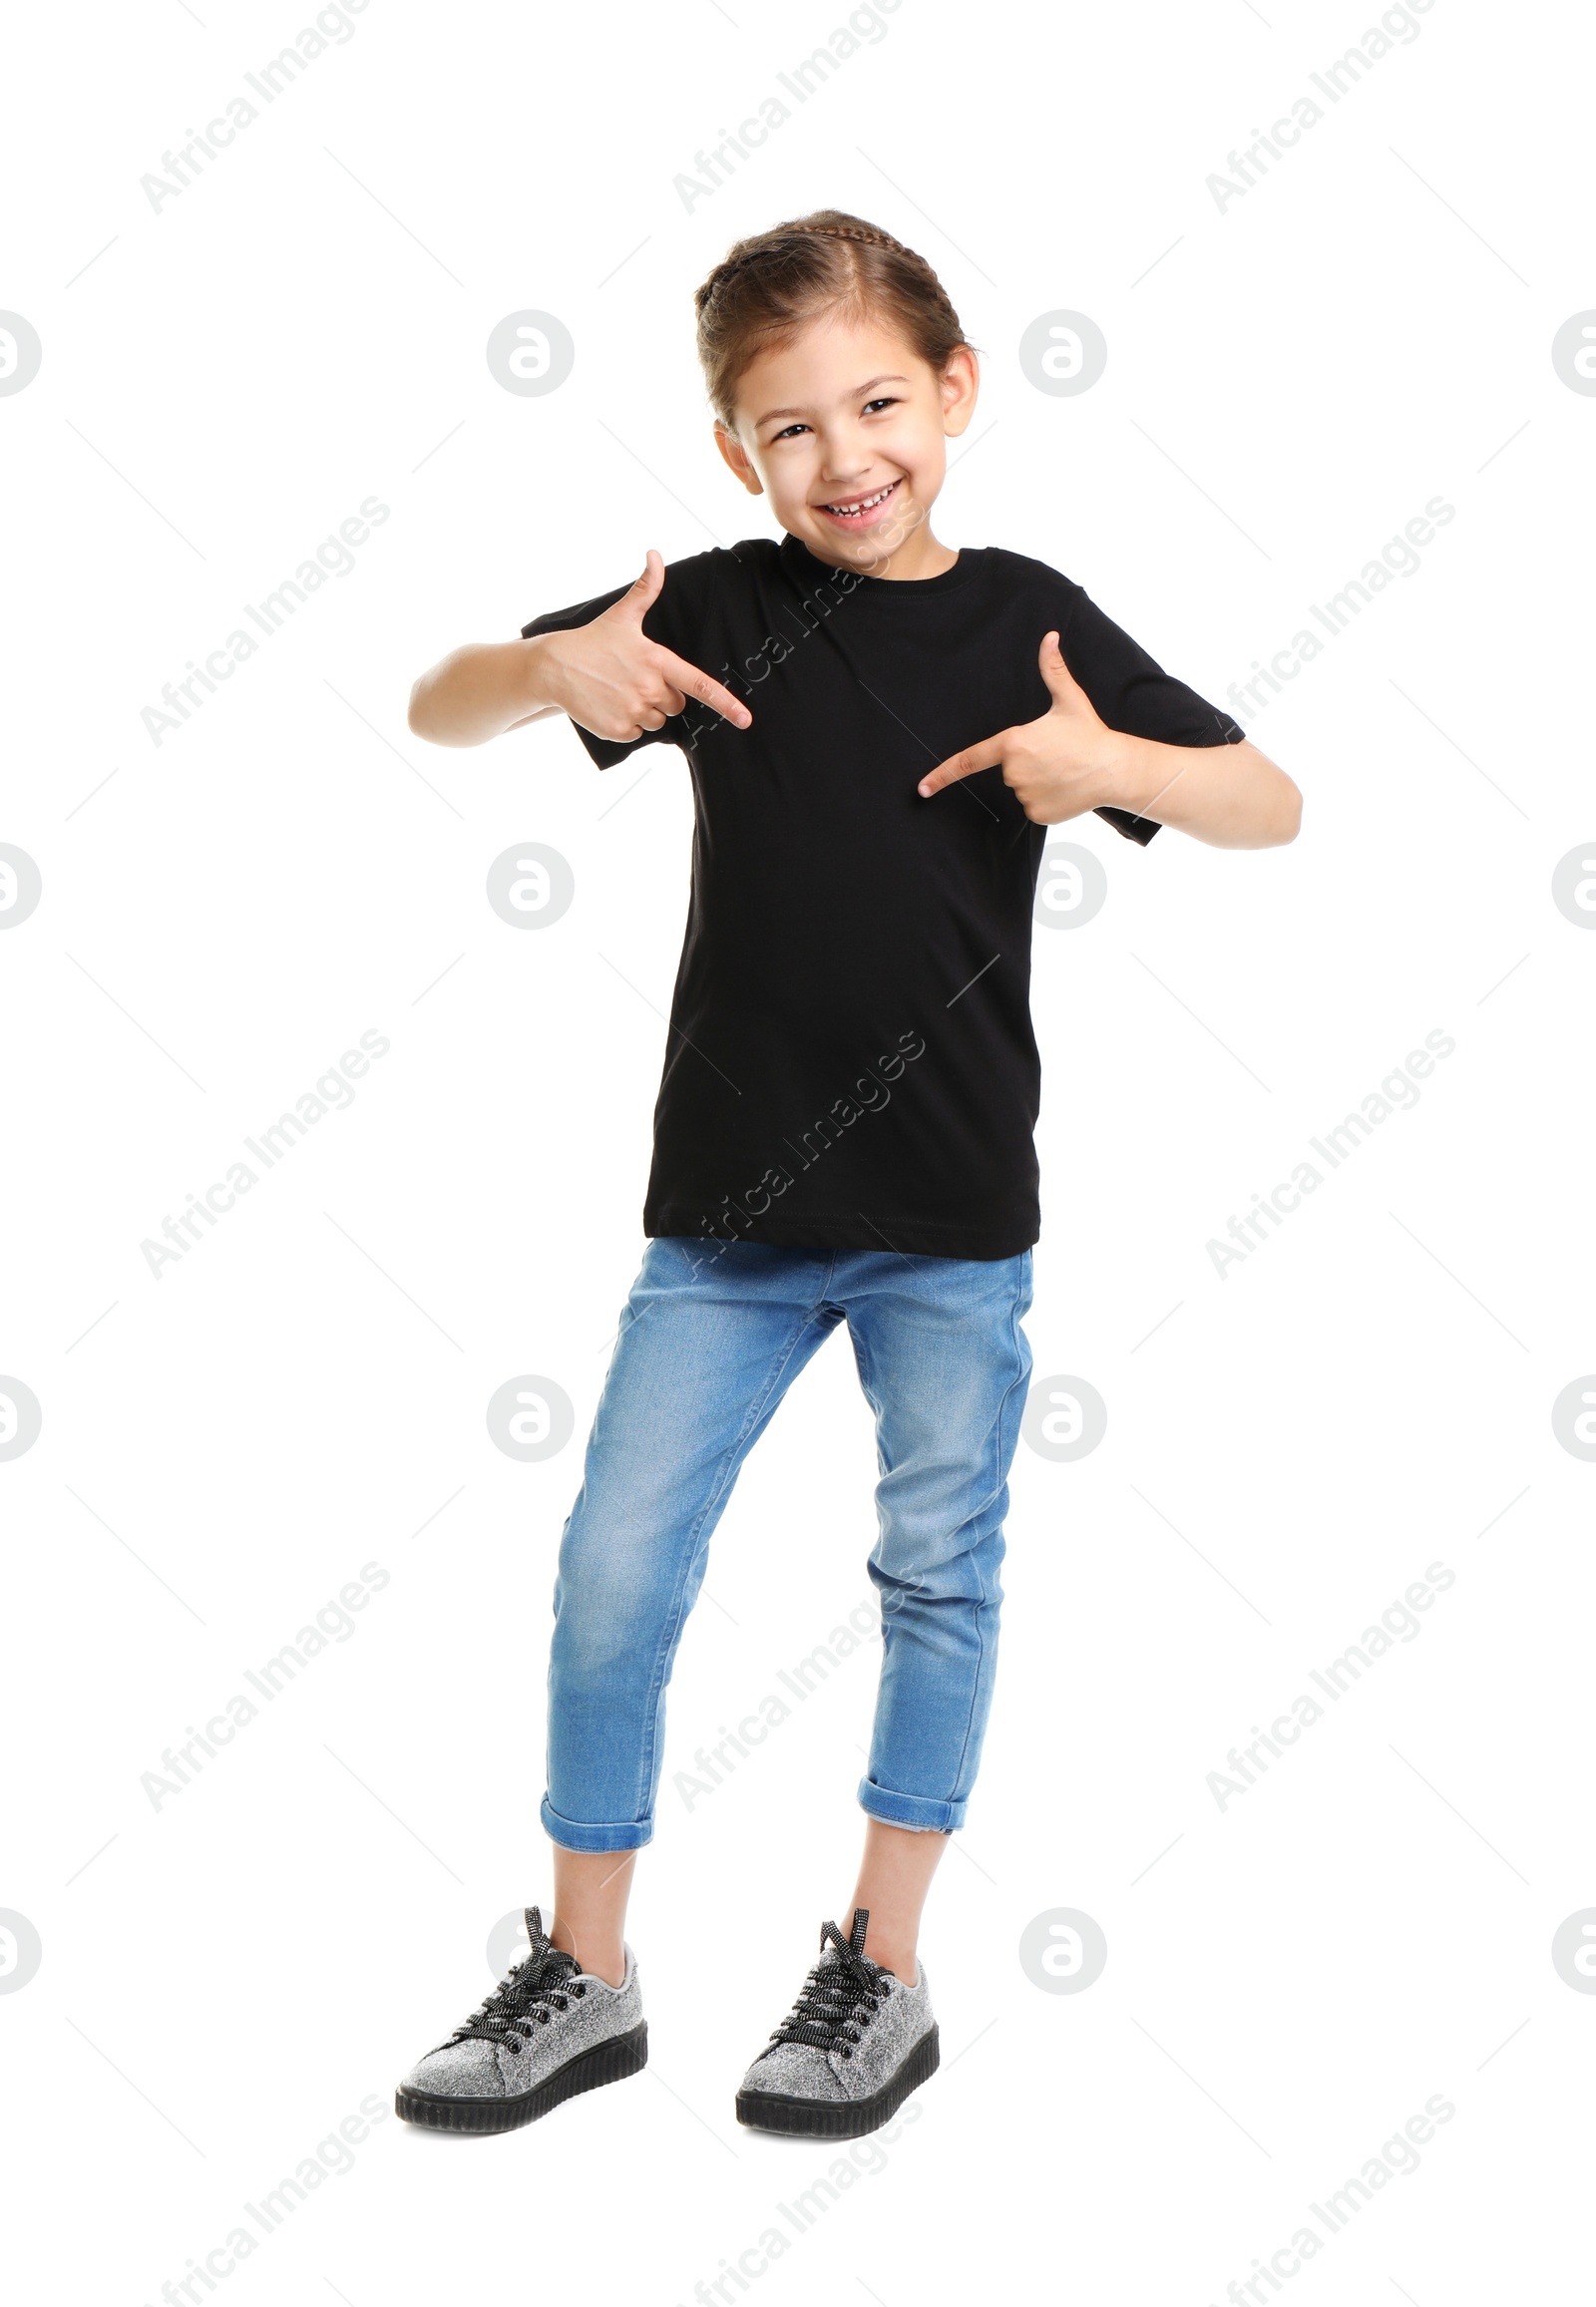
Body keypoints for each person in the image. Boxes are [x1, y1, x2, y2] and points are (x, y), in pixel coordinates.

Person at [394, 210, 1301, 2141]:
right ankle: (587, 1965)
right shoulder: (711, 608)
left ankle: (876, 1970)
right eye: (784, 426)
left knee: (933, 1578)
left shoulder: (1023, 619)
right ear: (735, 451)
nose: (841, 454)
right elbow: (434, 702)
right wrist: (552, 667)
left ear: (955, 390)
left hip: (947, 1221)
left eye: (877, 401)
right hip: (721, 1224)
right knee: (612, 1575)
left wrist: (1106, 759)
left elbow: (1267, 800)